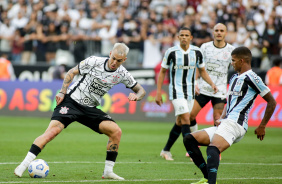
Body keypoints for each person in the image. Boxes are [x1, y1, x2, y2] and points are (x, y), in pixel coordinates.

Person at [14, 43, 146, 180]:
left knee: (116, 131)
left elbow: (141, 90)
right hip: (71, 101)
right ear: (110, 53)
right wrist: (62, 92)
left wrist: (137, 96)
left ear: (124, 60)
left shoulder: (123, 73)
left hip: (89, 109)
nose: (114, 63)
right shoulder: (94, 61)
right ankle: (22, 166)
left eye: (119, 61)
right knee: (52, 132)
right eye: (113, 58)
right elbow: (71, 72)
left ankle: (108, 171)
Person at [184, 46, 276, 184]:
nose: (231, 63)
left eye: (233, 60)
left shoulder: (253, 77)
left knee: (213, 148)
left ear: (242, 60)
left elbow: (272, 102)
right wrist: (221, 118)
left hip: (236, 124)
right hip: (226, 122)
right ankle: (207, 177)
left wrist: (262, 125)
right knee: (189, 139)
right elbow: (230, 102)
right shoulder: (234, 77)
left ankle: (211, 183)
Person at [155, 27, 218, 161]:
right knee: (185, 118)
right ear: (178, 37)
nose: (184, 37)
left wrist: (211, 83)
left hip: (190, 92)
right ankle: (193, 151)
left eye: (186, 35)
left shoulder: (197, 52)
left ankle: (165, 150)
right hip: (176, 91)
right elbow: (162, 72)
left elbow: (202, 71)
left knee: (180, 122)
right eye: (181, 35)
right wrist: (159, 92)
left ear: (191, 38)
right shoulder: (171, 52)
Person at [189, 23, 235, 144]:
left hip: (219, 90)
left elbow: (237, 68)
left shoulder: (231, 50)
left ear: (225, 33)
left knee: (217, 120)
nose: (219, 32)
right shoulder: (205, 47)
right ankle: (196, 142)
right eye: (216, 30)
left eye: (221, 30)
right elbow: (198, 67)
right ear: (213, 32)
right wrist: (195, 82)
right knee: (190, 116)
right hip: (203, 88)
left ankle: (215, 148)